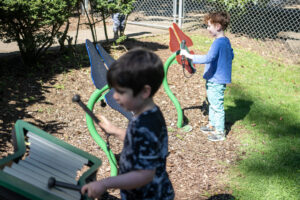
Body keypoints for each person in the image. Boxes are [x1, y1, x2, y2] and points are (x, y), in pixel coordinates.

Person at [81, 48, 175, 199]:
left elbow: (144, 175)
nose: (115, 97)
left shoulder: (147, 124)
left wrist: (104, 183)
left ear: (144, 91)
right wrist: (114, 130)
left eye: (121, 92)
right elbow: (138, 141)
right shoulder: (146, 113)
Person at [180, 11, 234, 142]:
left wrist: (189, 56)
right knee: (213, 102)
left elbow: (209, 58)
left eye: (209, 26)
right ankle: (213, 124)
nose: (207, 28)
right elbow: (231, 55)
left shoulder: (218, 43)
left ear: (218, 26)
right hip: (215, 78)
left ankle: (220, 132)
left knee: (216, 105)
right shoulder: (225, 41)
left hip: (216, 79)